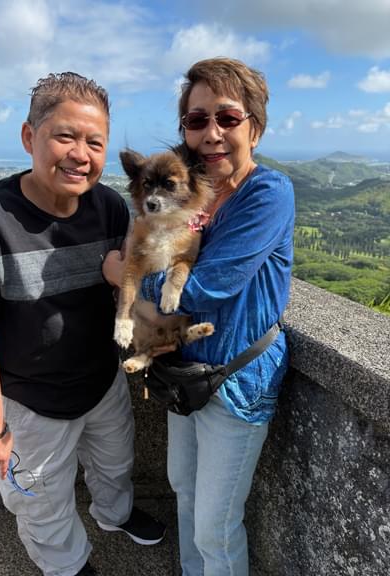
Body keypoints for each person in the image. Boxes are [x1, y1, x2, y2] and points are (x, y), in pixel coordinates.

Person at [0, 72, 165, 576]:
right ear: (29, 136)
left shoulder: (108, 207)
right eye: (65, 136)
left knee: (116, 465)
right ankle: (67, 565)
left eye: (95, 142)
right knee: (41, 502)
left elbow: (128, 287)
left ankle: (113, 515)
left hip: (102, 382)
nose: (80, 155)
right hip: (30, 401)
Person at [103, 57, 295, 576]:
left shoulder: (267, 193)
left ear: (254, 127)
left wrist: (120, 271)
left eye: (227, 118)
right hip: (184, 370)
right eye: (196, 119)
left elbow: (210, 286)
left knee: (215, 525)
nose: (212, 132)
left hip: (236, 379)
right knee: (183, 491)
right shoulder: (195, 193)